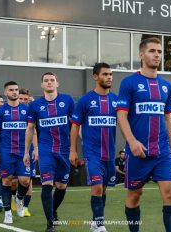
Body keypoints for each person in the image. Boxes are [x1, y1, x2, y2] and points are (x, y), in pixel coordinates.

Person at [116, 37, 171, 232]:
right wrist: (132, 141)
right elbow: (121, 116)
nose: (157, 55)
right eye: (152, 51)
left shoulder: (166, 85)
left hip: (161, 152)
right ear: (141, 55)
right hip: (138, 152)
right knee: (135, 195)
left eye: (159, 51)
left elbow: (167, 118)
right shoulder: (129, 83)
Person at [24, 72, 74, 232]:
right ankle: (50, 224)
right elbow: (30, 129)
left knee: (61, 185)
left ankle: (52, 211)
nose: (49, 82)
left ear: (57, 83)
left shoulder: (68, 100)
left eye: (52, 80)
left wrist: (77, 147)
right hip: (46, 150)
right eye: (46, 80)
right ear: (42, 85)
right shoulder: (35, 105)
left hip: (64, 150)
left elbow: (75, 126)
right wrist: (27, 151)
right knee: (47, 184)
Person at [70, 62, 117, 232]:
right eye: (105, 74)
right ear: (95, 77)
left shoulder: (116, 100)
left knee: (103, 190)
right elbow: (75, 125)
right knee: (97, 187)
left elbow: (124, 122)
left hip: (110, 154)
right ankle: (100, 224)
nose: (109, 77)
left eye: (110, 74)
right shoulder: (85, 100)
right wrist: (73, 150)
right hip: (92, 153)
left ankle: (94, 222)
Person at [0, 81, 31, 224]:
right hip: (6, 151)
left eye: (16, 90)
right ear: (6, 93)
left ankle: (19, 198)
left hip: (23, 151)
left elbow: (33, 131)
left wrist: (36, 148)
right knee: (7, 180)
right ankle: (8, 213)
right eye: (11, 90)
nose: (14, 92)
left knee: (25, 181)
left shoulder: (27, 110)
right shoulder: (1, 111)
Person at [19, 88, 38, 217]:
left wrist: (36, 149)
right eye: (21, 99)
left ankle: (25, 207)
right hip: (12, 150)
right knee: (14, 181)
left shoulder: (31, 112)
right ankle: (16, 199)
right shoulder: (8, 111)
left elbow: (34, 131)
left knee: (28, 180)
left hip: (29, 150)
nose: (23, 101)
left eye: (26, 99)